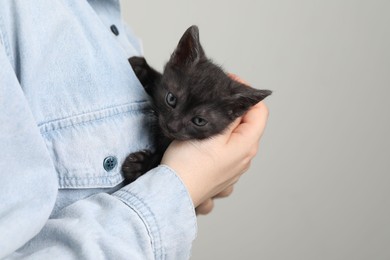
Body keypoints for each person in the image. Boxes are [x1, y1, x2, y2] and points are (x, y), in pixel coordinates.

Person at [0, 1, 269, 259]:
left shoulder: (110, 22)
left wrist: (195, 187)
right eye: (172, 101)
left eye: (197, 121)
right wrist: (182, 185)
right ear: (178, 59)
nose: (174, 124)